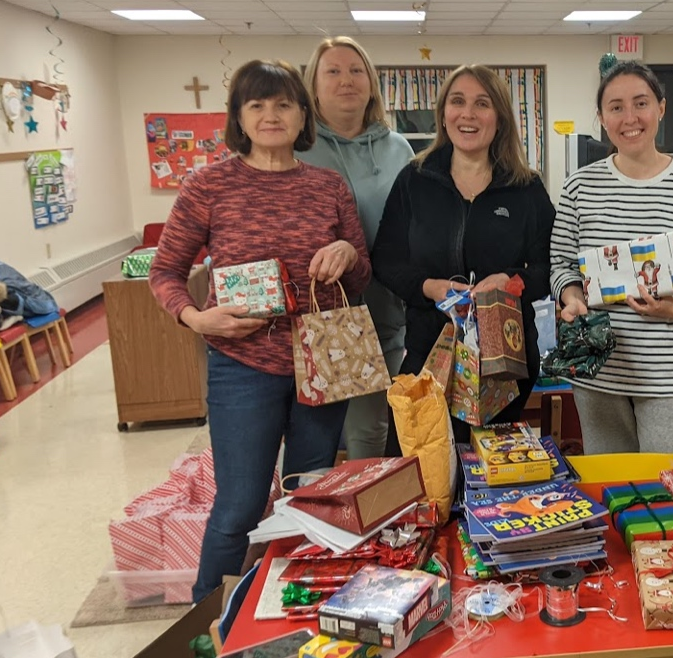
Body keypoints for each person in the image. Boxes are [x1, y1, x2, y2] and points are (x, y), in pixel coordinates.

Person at [150, 59, 371, 602]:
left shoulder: (328, 187)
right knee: (239, 504)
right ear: (239, 118)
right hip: (241, 368)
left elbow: (362, 274)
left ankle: (298, 606)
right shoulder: (208, 185)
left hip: (324, 361)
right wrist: (198, 317)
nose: (271, 115)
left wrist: (346, 251)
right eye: (257, 105)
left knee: (311, 498)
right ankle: (207, 632)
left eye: (283, 104)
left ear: (302, 116)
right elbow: (165, 273)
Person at [550, 61, 673, 454]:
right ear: (600, 118)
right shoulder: (579, 187)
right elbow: (561, 265)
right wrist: (572, 298)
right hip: (598, 367)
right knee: (611, 487)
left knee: (668, 487)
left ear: (661, 108)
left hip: (670, 373)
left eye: (641, 103)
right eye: (615, 107)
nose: (629, 118)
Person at [372, 65, 555, 447]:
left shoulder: (525, 188)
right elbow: (386, 260)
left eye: (482, 104)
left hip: (504, 361)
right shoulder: (414, 180)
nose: (468, 114)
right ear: (443, 113)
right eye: (458, 102)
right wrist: (427, 287)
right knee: (416, 467)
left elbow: (549, 267)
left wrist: (511, 281)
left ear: (500, 116)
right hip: (428, 355)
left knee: (490, 477)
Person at [299, 36, 415, 458]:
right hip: (319, 313)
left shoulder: (398, 149)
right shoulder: (296, 150)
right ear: (313, 85)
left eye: (356, 70)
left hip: (385, 312)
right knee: (313, 437)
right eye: (333, 71)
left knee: (370, 430)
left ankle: (365, 517)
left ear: (371, 83)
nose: (346, 80)